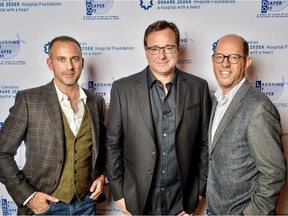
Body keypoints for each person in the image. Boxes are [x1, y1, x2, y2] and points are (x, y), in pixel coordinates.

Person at [105, 20, 211, 215]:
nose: (161, 55)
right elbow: (112, 144)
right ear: (146, 51)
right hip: (138, 201)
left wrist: (198, 193)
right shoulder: (123, 89)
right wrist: (119, 194)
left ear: (178, 49)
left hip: (181, 202)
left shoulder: (199, 88)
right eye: (154, 48)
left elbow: (205, 144)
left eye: (168, 47)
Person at [0, 36, 106, 215]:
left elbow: (102, 148)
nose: (70, 66)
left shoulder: (96, 102)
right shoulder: (29, 100)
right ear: (50, 63)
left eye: (75, 59)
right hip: (45, 207)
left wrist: (103, 175)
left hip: (86, 204)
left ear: (82, 62)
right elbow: (2, 152)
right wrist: (29, 197)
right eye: (61, 59)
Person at [206, 34, 286, 214]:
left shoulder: (259, 108)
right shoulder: (215, 101)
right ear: (213, 61)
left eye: (233, 58)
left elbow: (274, 173)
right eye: (220, 57)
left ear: (246, 62)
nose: (225, 64)